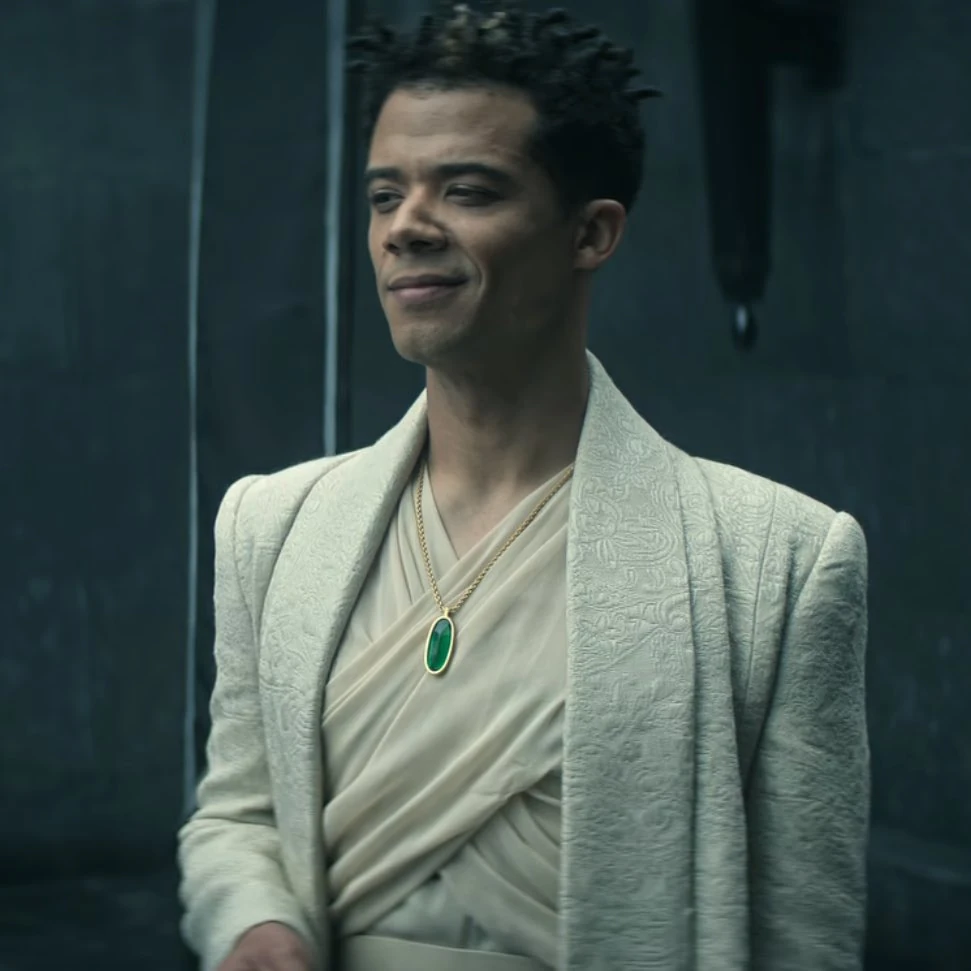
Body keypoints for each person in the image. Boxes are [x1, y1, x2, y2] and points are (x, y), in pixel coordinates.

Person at [177, 2, 870, 969]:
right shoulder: (273, 525)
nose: (405, 227)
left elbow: (805, 934)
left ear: (590, 232)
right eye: (384, 195)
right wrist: (256, 923)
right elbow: (237, 813)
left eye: (465, 190)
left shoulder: (772, 562)